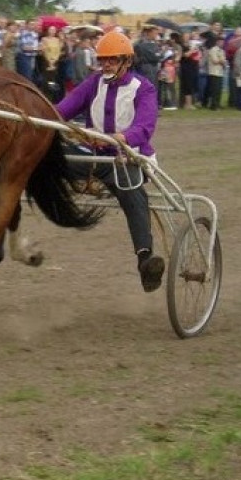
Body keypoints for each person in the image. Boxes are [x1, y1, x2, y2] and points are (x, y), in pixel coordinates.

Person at [55, 30, 164, 293]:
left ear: (126, 61)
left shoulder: (144, 88)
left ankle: (145, 260)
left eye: (112, 60)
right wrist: (39, 119)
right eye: (102, 59)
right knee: (52, 157)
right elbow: (62, 110)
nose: (106, 65)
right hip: (94, 158)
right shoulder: (94, 83)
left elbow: (145, 127)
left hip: (130, 158)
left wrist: (121, 137)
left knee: (132, 194)